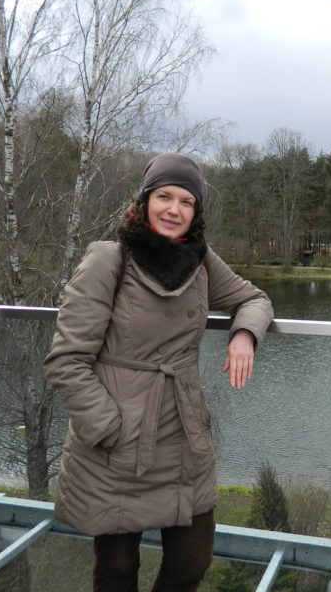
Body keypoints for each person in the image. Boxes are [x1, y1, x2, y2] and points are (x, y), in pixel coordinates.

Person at [43, 153, 274, 592]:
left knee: (192, 562)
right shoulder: (109, 261)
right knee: (116, 570)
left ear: (196, 212)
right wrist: (107, 427)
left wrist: (244, 334)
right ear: (144, 201)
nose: (174, 209)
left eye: (186, 201)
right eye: (164, 196)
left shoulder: (200, 262)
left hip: (183, 437)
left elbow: (255, 298)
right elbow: (67, 360)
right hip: (116, 442)